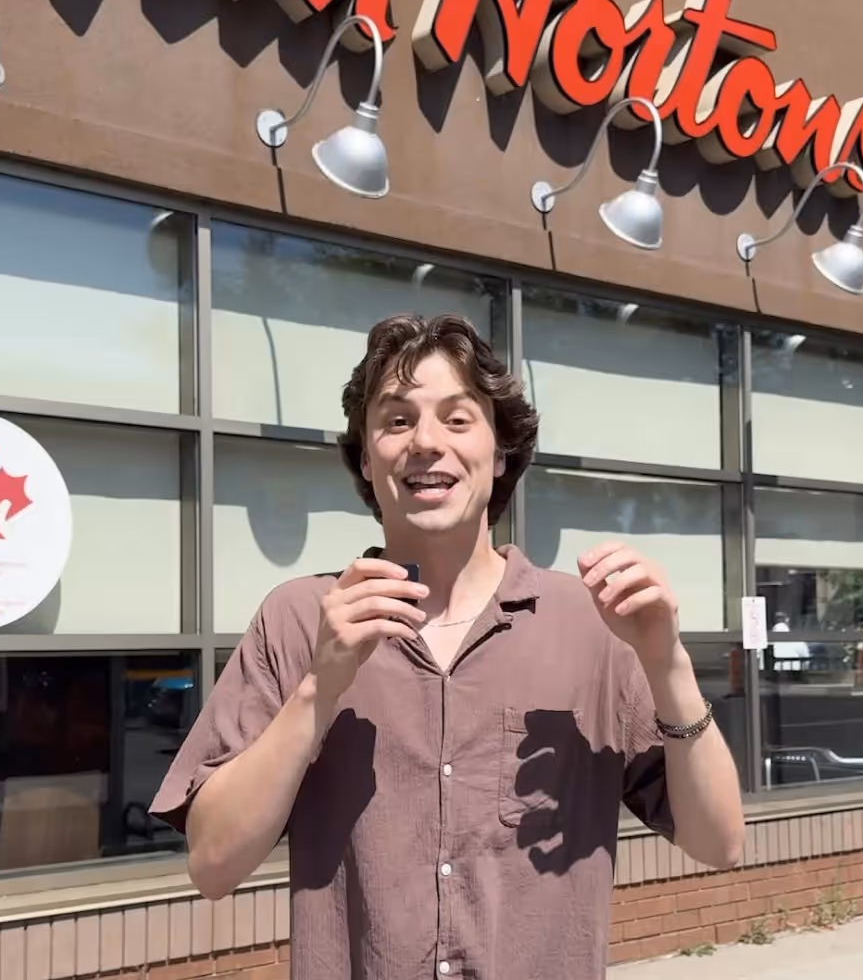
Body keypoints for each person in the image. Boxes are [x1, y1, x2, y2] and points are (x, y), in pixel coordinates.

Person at [149, 313, 745, 979]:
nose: (426, 442)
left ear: (501, 453)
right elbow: (213, 865)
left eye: (457, 419)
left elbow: (718, 842)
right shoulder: (298, 621)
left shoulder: (594, 624)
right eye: (397, 420)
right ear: (366, 458)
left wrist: (667, 664)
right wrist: (318, 690)